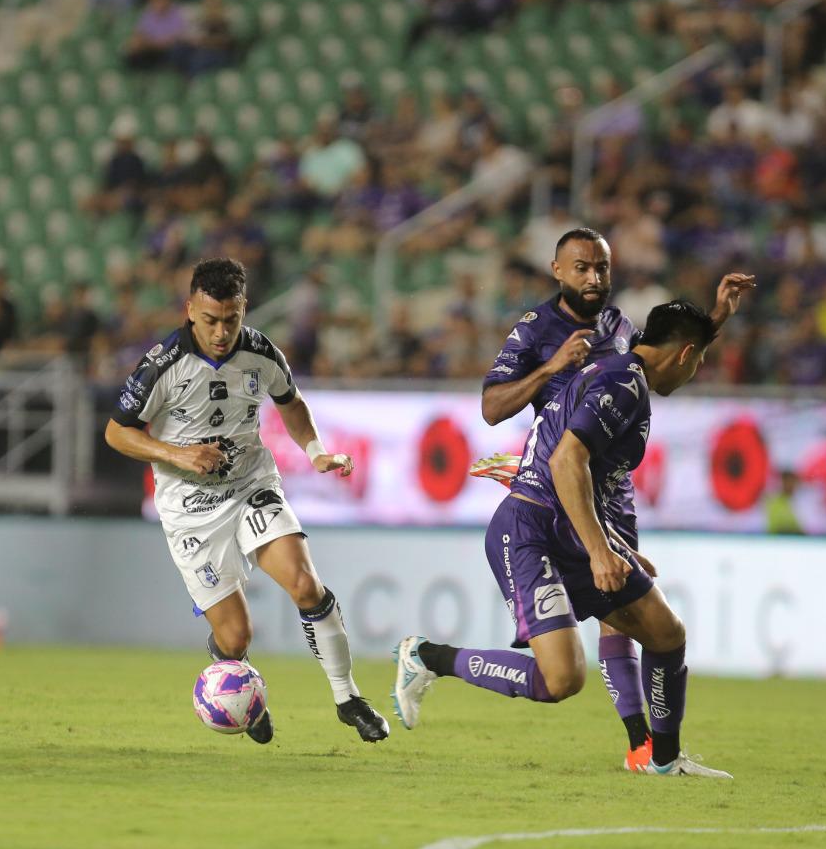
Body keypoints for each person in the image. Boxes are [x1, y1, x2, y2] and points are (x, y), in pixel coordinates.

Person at [392, 299, 750, 777]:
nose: (695, 370)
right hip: (531, 531)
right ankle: (427, 656)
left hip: (571, 525)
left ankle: (663, 759)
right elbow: (565, 461)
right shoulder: (623, 384)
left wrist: (615, 547)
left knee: (666, 634)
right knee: (560, 679)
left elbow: (576, 465)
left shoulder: (621, 370)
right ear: (685, 354)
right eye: (699, 359)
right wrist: (603, 551)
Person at [468, 226, 752, 770]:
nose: (594, 278)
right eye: (582, 268)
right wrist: (551, 371)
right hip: (555, 485)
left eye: (601, 267)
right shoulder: (534, 331)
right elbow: (494, 409)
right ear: (557, 271)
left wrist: (714, 320)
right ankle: (643, 745)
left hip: (603, 490)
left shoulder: (619, 329)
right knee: (582, 656)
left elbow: (668, 353)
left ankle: (652, 753)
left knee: (641, 624)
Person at [105, 257, 388, 745]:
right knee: (236, 638)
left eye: (230, 320)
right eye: (210, 320)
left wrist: (316, 452)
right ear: (190, 309)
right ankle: (244, 693)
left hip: (251, 485)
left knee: (305, 585)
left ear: (244, 309)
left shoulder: (261, 353)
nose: (220, 332)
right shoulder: (163, 363)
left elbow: (291, 403)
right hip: (189, 507)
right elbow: (117, 432)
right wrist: (176, 453)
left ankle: (348, 698)